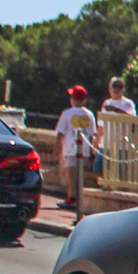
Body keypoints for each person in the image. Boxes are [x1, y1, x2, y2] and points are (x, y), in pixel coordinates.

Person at [57, 84, 96, 221]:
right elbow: (92, 134)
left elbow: (60, 132)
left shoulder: (67, 113)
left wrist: (56, 148)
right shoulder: (89, 114)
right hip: (84, 149)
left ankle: (71, 198)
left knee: (70, 175)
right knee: (78, 175)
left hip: (70, 148)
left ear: (73, 99)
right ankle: (74, 197)